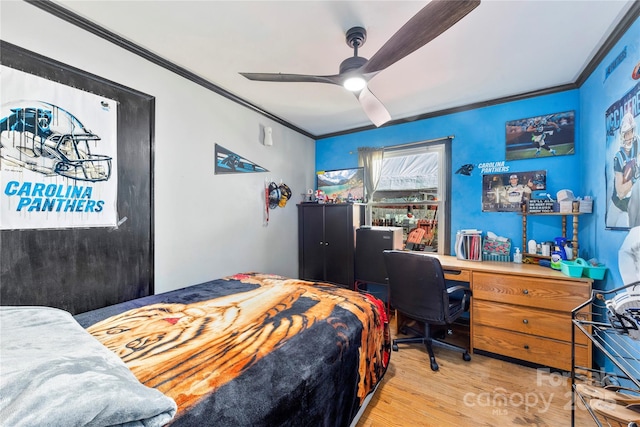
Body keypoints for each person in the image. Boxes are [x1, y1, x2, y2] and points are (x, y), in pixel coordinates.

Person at [608, 112, 638, 228]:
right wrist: (634, 179)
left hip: (628, 207)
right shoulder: (619, 157)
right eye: (626, 133)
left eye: (630, 132)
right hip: (616, 206)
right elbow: (620, 193)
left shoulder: (637, 145)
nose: (629, 136)